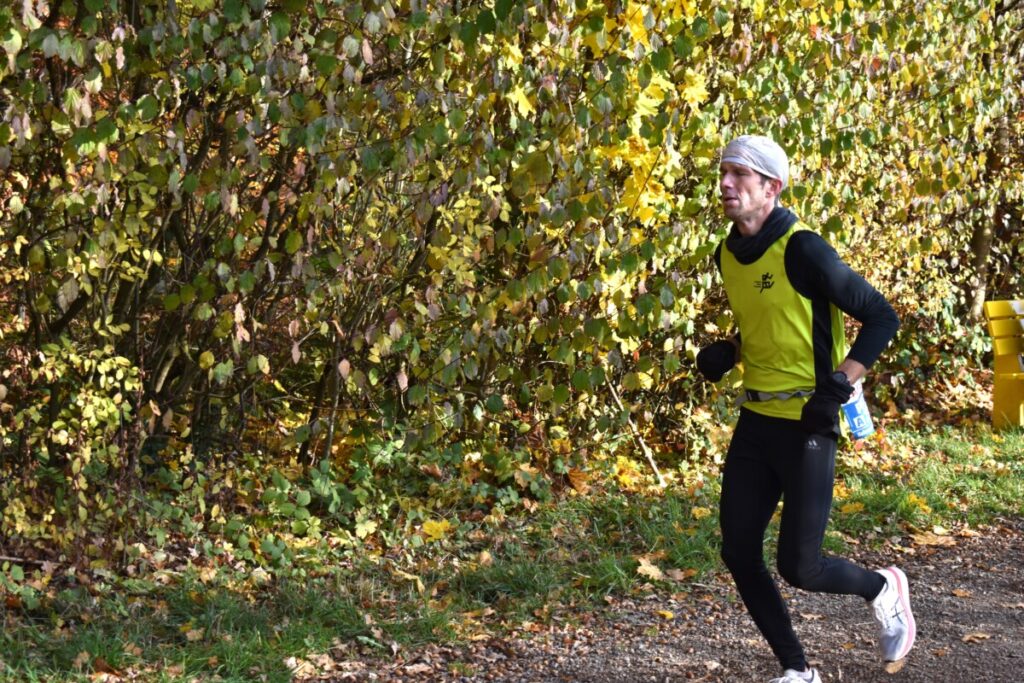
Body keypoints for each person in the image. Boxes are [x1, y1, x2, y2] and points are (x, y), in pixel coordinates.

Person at [695, 135, 913, 683]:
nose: (726, 183)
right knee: (738, 551)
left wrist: (838, 384)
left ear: (772, 187)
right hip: (756, 420)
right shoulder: (727, 254)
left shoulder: (803, 249)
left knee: (801, 567)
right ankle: (798, 670)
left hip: (808, 422)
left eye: (740, 174)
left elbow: (881, 316)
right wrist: (731, 350)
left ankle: (883, 587)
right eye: (723, 173)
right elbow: (775, 321)